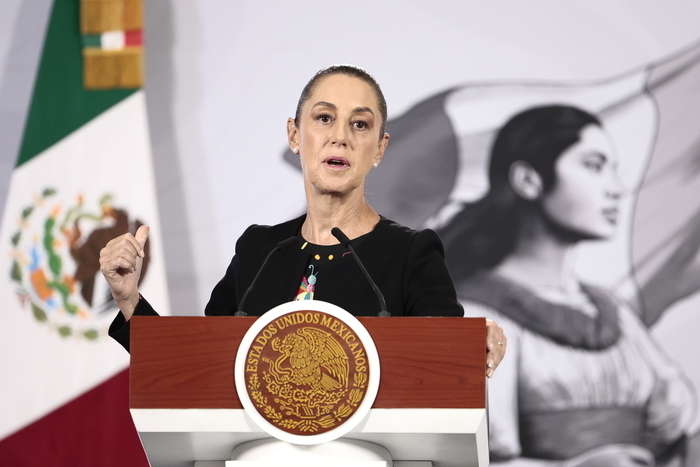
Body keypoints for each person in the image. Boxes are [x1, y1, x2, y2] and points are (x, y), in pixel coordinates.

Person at [99, 64, 507, 376]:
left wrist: (472, 342)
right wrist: (128, 299)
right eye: (324, 118)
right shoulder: (259, 251)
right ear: (295, 135)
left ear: (380, 148)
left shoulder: (411, 254)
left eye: (360, 124)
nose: (340, 137)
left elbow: (445, 367)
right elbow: (197, 368)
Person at [437, 105, 695, 466]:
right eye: (593, 165)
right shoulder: (473, 315)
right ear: (528, 180)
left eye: (614, 169)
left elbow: (675, 430)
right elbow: (467, 459)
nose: (616, 189)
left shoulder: (613, 311)